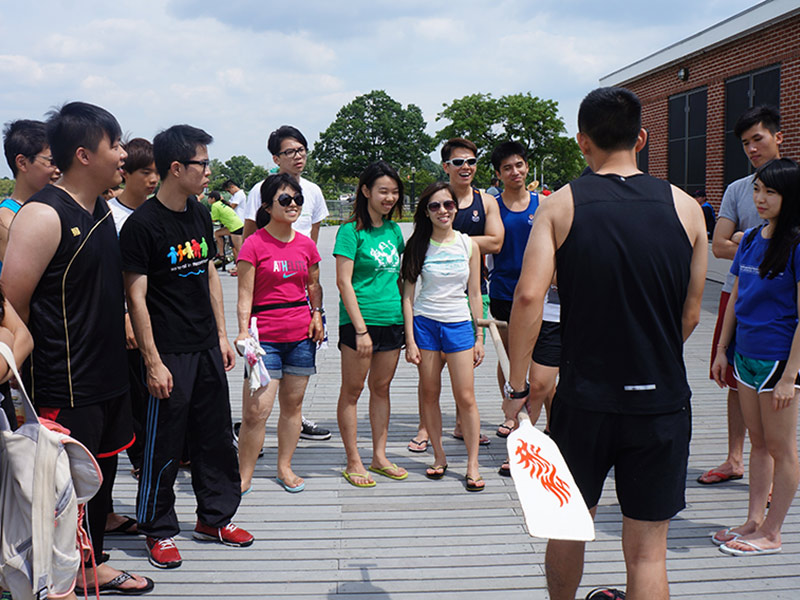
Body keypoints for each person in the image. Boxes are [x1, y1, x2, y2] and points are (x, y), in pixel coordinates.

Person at [505, 87, 706, 600]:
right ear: (641, 138)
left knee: (570, 525)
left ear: (582, 142)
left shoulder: (559, 206)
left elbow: (528, 298)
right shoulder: (686, 209)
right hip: (661, 399)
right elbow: (689, 315)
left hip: (585, 398)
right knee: (647, 552)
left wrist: (519, 382)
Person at [1, 101, 153, 594]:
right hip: (63, 381)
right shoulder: (43, 215)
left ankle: (91, 563)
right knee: (59, 488)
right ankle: (59, 572)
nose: (123, 154)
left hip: (107, 374)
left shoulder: (102, 211)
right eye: (116, 145)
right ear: (85, 154)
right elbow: (12, 307)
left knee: (99, 478)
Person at [120, 124, 253, 569]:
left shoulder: (198, 212)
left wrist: (220, 335)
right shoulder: (142, 226)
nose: (209, 171)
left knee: (215, 438)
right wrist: (153, 361)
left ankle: (215, 517)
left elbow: (210, 273)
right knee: (164, 445)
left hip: (205, 346)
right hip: (168, 352)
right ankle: (157, 529)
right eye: (202, 163)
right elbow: (135, 296)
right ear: (176, 168)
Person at [711, 158, 800, 556]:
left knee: (783, 450)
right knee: (758, 445)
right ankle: (753, 521)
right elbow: (735, 300)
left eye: (771, 192)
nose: (760, 199)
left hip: (778, 361)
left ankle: (773, 531)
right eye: (758, 190)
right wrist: (721, 350)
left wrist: (790, 376)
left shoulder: (796, 244)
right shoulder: (748, 239)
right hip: (744, 356)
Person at [699, 105, 781, 486]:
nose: (751, 149)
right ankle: (734, 459)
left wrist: (752, 247)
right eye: (745, 143)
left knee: (782, 386)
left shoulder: (794, 184)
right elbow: (718, 245)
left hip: (783, 307)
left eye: (758, 139)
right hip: (738, 297)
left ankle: (777, 469)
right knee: (735, 379)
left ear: (778, 137)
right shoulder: (737, 189)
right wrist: (769, 252)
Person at [408, 137, 502, 453]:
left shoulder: (484, 206)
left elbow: (497, 242)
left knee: (466, 389)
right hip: (428, 317)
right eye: (459, 162)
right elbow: (408, 291)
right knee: (429, 386)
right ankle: (429, 436)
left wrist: (461, 244)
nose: (466, 167)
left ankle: (466, 434)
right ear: (446, 166)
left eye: (471, 161)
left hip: (467, 307)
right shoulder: (421, 240)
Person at [235, 173, 324, 494]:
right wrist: (243, 332)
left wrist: (317, 315)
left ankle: (284, 466)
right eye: (285, 200)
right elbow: (245, 294)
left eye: (297, 199)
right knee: (256, 410)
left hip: (301, 335)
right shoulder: (253, 244)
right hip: (263, 339)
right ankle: (244, 473)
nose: (293, 205)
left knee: (293, 407)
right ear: (268, 206)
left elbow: (314, 285)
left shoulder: (306, 245)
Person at [241, 125, 330, 442]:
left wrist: (315, 305)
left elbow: (313, 244)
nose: (298, 156)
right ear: (276, 157)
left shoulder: (314, 192)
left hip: (301, 290)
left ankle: (297, 418)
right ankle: (252, 430)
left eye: (302, 149)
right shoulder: (260, 190)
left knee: (299, 365)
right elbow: (250, 234)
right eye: (290, 151)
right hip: (268, 286)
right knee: (262, 377)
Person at [402, 182, 485, 491]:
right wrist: (409, 339)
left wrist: (479, 334)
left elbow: (474, 293)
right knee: (429, 393)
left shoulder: (468, 245)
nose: (443, 211)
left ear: (456, 207)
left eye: (448, 205)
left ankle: (473, 463)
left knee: (465, 397)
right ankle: (439, 456)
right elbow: (408, 297)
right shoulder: (417, 245)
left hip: (459, 324)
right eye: (435, 206)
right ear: (426, 211)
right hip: (426, 325)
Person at [334, 161, 407, 488]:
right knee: (352, 391)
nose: (389, 197)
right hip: (359, 323)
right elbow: (344, 282)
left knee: (381, 389)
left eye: (394, 192)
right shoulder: (350, 231)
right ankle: (354, 460)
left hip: (391, 319)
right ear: (366, 191)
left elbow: (400, 278)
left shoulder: (394, 231)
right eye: (383, 191)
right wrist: (360, 329)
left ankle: (379, 456)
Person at [0, 120, 57, 272]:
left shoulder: (53, 209)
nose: (59, 169)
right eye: (52, 161)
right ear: (22, 163)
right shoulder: (6, 219)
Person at [209, 190, 244, 272]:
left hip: (235, 227)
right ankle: (221, 254)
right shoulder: (220, 203)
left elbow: (213, 220)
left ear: (213, 199)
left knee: (239, 249)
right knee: (217, 233)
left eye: (209, 198)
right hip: (236, 225)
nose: (208, 200)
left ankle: (240, 269)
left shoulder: (215, 205)